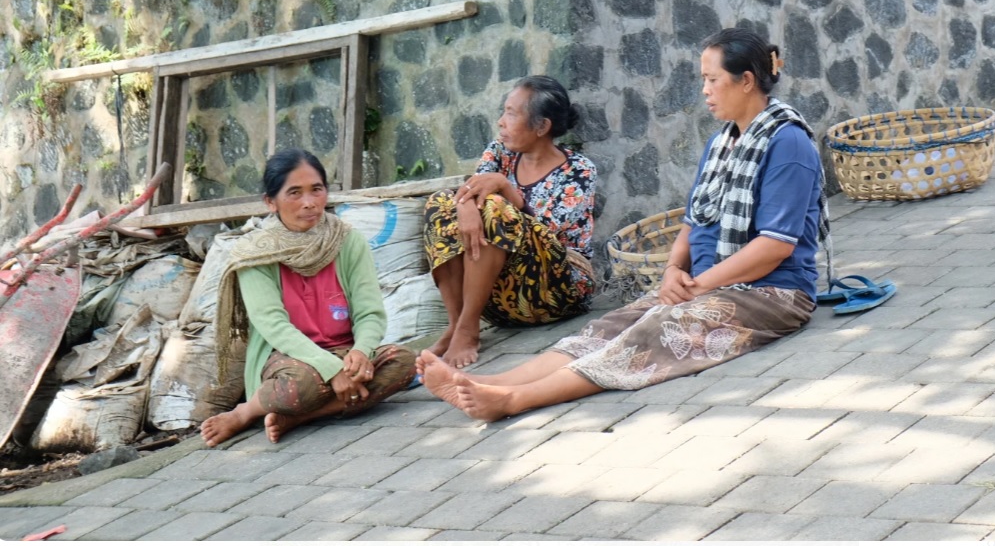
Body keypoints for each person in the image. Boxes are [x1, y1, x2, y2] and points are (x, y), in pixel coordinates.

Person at [418, 28, 830, 421]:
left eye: (712, 79)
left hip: (772, 293)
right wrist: (673, 270)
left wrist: (697, 287)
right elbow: (694, 220)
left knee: (658, 327)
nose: (704, 89)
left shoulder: (786, 142)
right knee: (612, 323)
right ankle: (489, 381)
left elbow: (775, 246)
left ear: (745, 81)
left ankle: (512, 399)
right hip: (705, 282)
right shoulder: (724, 141)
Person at [201, 149, 415, 446]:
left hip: (345, 350)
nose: (309, 203)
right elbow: (273, 325)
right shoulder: (254, 253)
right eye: (294, 193)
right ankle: (245, 412)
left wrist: (362, 352)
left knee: (403, 362)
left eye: (317, 190)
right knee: (299, 387)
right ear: (270, 202)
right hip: (289, 360)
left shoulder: (347, 239)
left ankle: (302, 417)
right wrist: (331, 370)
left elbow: (370, 311)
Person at [423, 75, 597, 368]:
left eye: (512, 113)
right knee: (440, 203)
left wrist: (505, 188)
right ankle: (458, 324)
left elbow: (545, 235)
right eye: (504, 111)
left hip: (553, 294)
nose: (501, 121)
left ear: (542, 127)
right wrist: (464, 204)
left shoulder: (579, 171)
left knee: (495, 208)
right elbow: (473, 189)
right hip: (499, 300)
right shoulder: (499, 152)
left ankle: (468, 329)